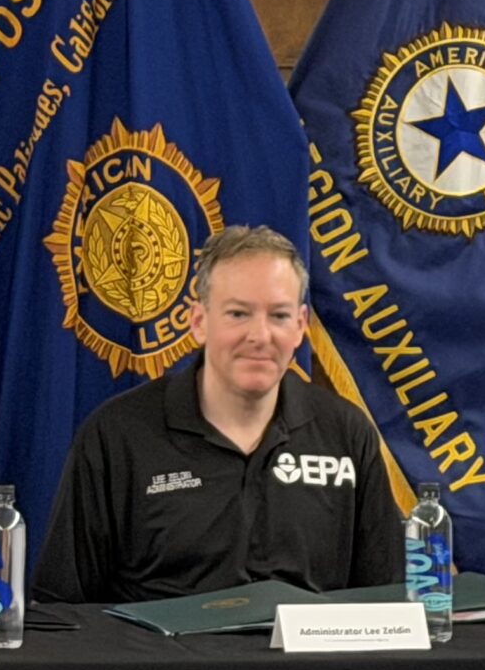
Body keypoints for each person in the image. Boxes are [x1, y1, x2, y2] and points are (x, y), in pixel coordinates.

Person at [34, 226, 401, 605]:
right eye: (238, 314)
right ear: (199, 322)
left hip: (308, 646)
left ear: (300, 326)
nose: (260, 336)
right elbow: (62, 609)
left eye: (279, 315)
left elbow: (389, 603)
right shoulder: (116, 435)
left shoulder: (347, 434)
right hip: (158, 646)